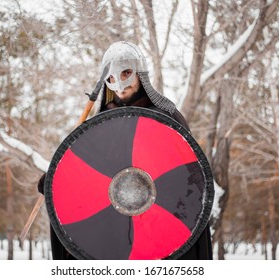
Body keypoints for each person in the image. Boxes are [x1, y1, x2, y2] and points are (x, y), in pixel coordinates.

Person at [38, 41, 213, 260]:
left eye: (126, 73)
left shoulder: (167, 118)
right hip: (114, 226)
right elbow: (90, 173)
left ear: (141, 73)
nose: (120, 84)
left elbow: (187, 176)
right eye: (111, 78)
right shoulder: (99, 127)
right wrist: (57, 179)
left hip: (157, 222)